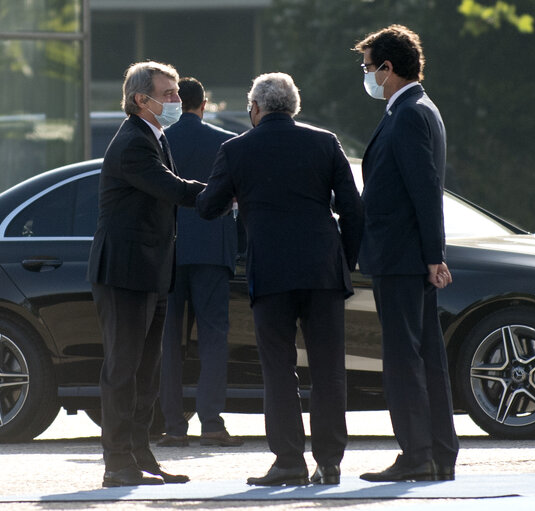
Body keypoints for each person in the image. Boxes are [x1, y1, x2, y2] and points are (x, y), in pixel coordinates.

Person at [197, 72, 364, 486]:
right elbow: (354, 211)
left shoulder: (236, 149)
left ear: (255, 108)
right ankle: (330, 462)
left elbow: (208, 207)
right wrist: (344, 259)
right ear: (294, 107)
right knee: (328, 369)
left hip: (270, 272)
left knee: (278, 367)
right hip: (323, 270)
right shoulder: (325, 142)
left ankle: (289, 461)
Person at [87, 61, 205, 488]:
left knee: (145, 371)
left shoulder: (153, 136)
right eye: (169, 94)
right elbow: (172, 188)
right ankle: (117, 463)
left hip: (151, 273)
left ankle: (139, 455)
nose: (176, 100)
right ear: (142, 99)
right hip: (124, 272)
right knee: (123, 370)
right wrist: (222, 194)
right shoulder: (133, 143)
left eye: (175, 93)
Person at [353, 24, 460, 482]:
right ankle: (436, 454)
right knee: (426, 357)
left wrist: (433, 254)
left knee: (404, 359)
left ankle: (417, 454)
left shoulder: (410, 113)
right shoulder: (418, 108)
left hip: (400, 257)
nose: (367, 76)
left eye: (368, 68)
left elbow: (423, 191)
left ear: (388, 68)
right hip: (405, 255)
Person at [156, 77, 242, 448]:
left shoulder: (159, 141)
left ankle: (173, 426)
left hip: (169, 252)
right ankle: (211, 422)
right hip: (212, 248)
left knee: (169, 342)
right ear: (204, 105)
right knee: (213, 339)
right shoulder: (223, 142)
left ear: (175, 102)